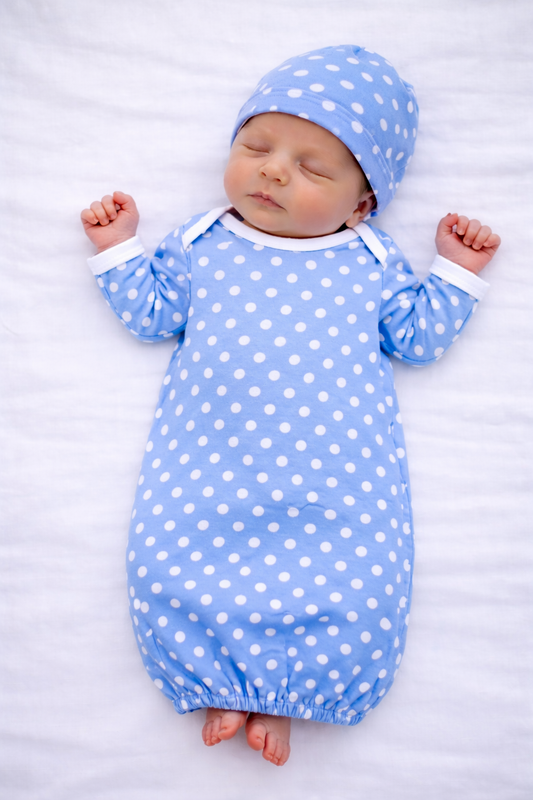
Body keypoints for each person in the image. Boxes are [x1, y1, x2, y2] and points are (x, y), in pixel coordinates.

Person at [80, 45, 500, 767]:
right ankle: (221, 682)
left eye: (312, 167)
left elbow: (416, 338)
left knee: (350, 580)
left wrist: (455, 271)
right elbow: (151, 314)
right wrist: (118, 248)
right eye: (256, 146)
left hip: (338, 486)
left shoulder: (369, 261)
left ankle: (290, 693)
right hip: (207, 469)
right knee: (176, 561)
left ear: (362, 203)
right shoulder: (202, 243)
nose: (273, 169)